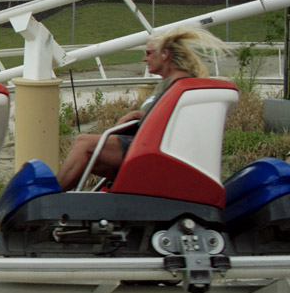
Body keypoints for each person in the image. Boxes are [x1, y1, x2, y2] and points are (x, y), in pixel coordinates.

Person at [55, 27, 227, 191]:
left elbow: (168, 120)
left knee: (83, 142)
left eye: (149, 53)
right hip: (150, 145)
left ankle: (49, 196)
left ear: (165, 54)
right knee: (95, 159)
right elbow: (166, 114)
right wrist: (139, 114)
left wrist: (139, 116)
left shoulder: (180, 83)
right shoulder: (169, 83)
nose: (145, 59)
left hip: (154, 151)